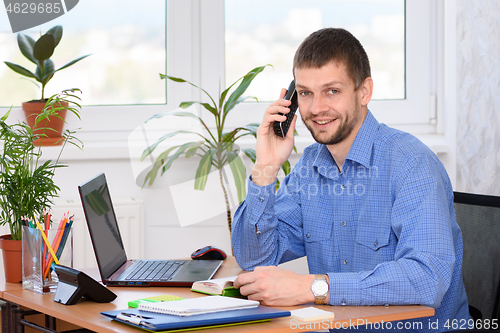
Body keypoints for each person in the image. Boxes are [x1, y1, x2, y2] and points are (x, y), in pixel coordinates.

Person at [231, 28, 470, 332]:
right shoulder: (309, 167)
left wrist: (314, 287)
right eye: (305, 93)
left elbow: (427, 278)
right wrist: (266, 166)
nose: (316, 108)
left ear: (364, 91)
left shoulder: (412, 164)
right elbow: (255, 259)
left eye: (332, 91)